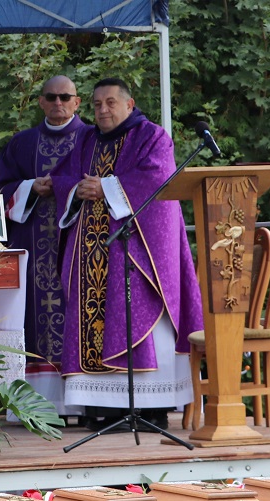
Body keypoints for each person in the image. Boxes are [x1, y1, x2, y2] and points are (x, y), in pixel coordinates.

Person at [51, 78, 204, 429]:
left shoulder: (151, 136)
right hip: (91, 252)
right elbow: (62, 179)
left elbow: (159, 179)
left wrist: (104, 187)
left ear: (130, 103)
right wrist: (77, 188)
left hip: (137, 252)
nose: (102, 110)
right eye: (96, 104)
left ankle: (149, 408)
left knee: (136, 316)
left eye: (110, 103)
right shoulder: (86, 139)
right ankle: (101, 408)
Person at [0, 75, 88, 412]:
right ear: (41, 102)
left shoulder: (93, 140)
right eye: (52, 97)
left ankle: (84, 401)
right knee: (35, 318)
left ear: (77, 102)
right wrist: (30, 187)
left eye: (65, 97)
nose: (58, 103)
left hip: (82, 248)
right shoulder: (22, 143)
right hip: (34, 251)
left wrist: (63, 188)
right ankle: (36, 406)